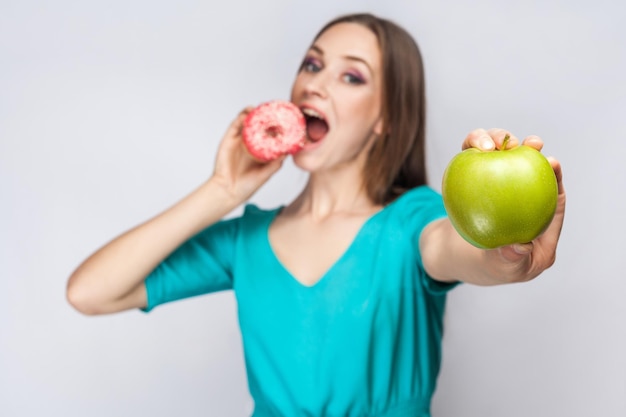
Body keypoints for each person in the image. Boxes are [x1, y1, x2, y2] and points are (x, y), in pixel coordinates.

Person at [66, 12, 566, 417]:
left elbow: (461, 250)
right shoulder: (246, 239)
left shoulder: (413, 221)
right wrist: (221, 190)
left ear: (385, 118)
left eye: (351, 76)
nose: (315, 85)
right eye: (311, 65)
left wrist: (509, 256)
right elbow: (89, 292)